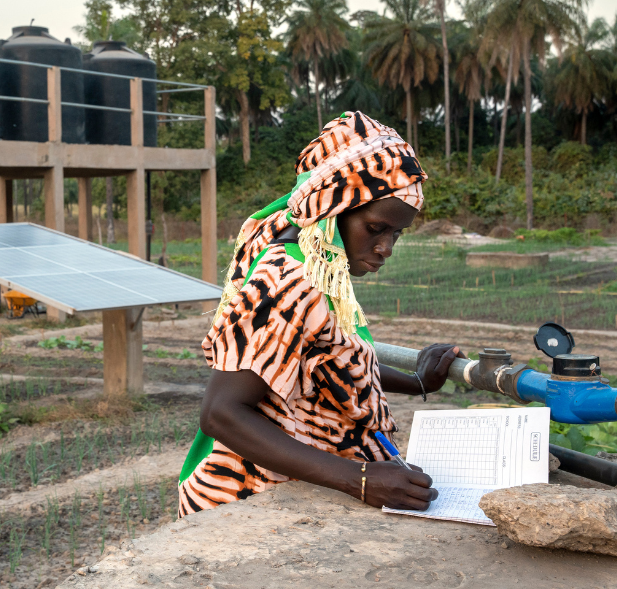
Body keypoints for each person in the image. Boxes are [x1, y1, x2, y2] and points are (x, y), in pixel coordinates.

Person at [178, 111, 465, 517]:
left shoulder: (321, 265)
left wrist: (417, 381)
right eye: (376, 228)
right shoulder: (290, 279)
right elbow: (222, 413)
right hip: (251, 498)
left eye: (396, 234)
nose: (386, 248)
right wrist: (359, 478)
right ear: (334, 207)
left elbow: (323, 359)